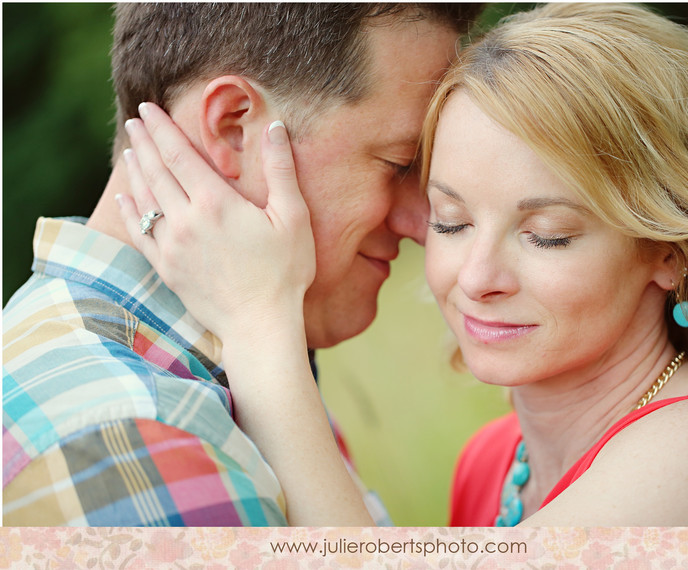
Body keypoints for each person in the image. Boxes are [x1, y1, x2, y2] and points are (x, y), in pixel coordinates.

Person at [117, 3, 688, 527]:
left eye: (548, 235)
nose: (476, 278)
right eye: (451, 221)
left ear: (667, 252)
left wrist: (260, 326)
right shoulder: (491, 463)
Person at [2, 3, 483, 526]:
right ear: (234, 127)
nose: (422, 221)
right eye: (397, 163)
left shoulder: (241, 368)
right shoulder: (133, 436)